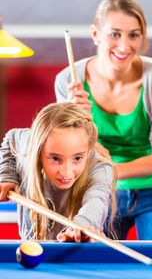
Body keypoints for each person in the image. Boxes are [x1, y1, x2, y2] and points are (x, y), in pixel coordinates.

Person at [55, 0, 152, 240]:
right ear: (96, 34)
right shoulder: (68, 80)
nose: (124, 46)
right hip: (100, 192)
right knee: (96, 268)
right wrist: (77, 121)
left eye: (133, 35)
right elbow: (70, 154)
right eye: (114, 34)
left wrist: (107, 171)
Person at [0, 102, 116, 241]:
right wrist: (7, 176)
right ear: (38, 151)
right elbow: (11, 138)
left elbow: (96, 201)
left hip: (75, 253)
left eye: (77, 158)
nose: (66, 172)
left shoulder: (100, 169)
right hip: (33, 249)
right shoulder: (28, 146)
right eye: (55, 159)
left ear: (89, 151)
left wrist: (81, 227)